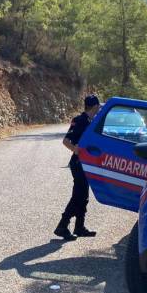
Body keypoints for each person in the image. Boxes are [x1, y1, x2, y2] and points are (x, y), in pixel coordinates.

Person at [53, 95, 101, 241]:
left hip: (87, 165)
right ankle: (62, 226)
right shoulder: (79, 120)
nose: (99, 108)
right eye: (98, 106)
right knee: (78, 196)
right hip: (78, 164)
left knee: (84, 196)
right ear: (94, 106)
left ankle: (79, 227)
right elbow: (66, 141)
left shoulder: (92, 121)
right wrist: (77, 150)